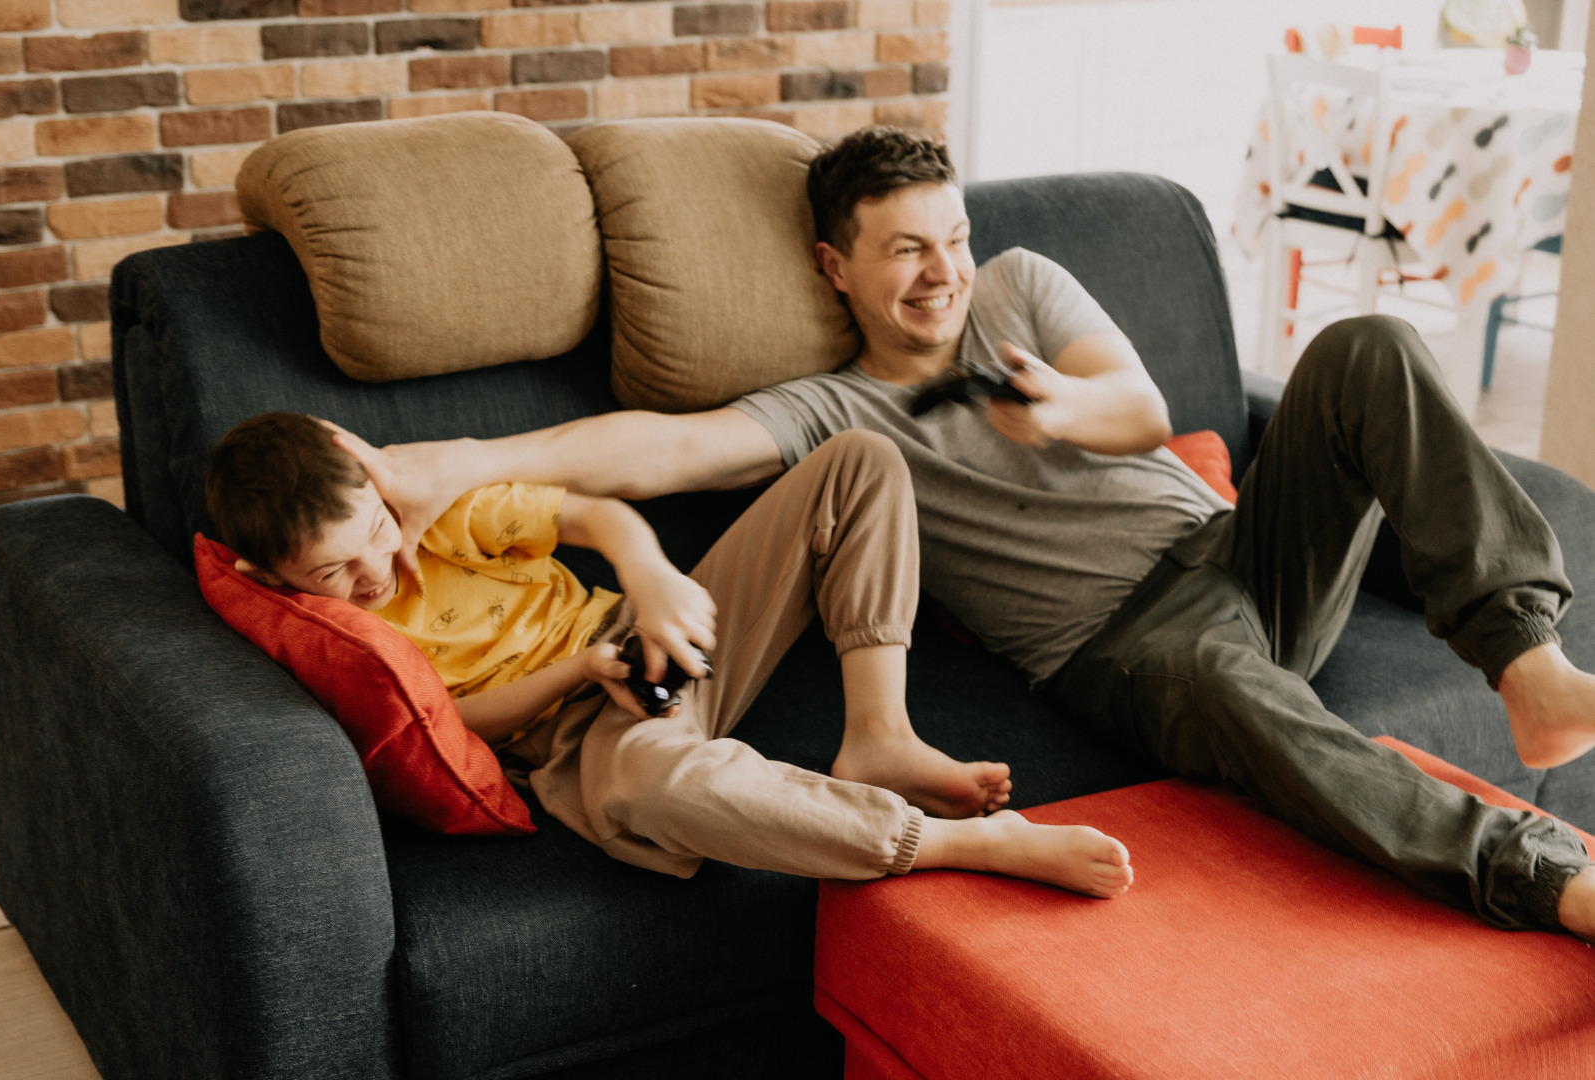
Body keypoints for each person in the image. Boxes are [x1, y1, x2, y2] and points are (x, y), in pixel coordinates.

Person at [336, 125, 1595, 939]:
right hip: (1130, 650)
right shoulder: (832, 412)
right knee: (1226, 681)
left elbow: (1143, 403)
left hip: (1241, 552)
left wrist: (1066, 408)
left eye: (951, 240)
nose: (939, 273)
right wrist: (459, 459)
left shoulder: (1021, 289)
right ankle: (1549, 876)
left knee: (1364, 345)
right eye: (902, 254)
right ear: (837, 267)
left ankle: (1528, 665)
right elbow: (653, 448)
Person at [205, 411, 1136, 897]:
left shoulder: (427, 506)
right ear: (272, 575)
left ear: (368, 476)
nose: (379, 565)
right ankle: (956, 845)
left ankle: (879, 731)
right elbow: (452, 725)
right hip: (582, 730)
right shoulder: (338, 637)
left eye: (374, 527)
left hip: (654, 636)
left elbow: (591, 511)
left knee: (858, 460)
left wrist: (648, 575)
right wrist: (577, 674)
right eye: (338, 570)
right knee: (661, 792)